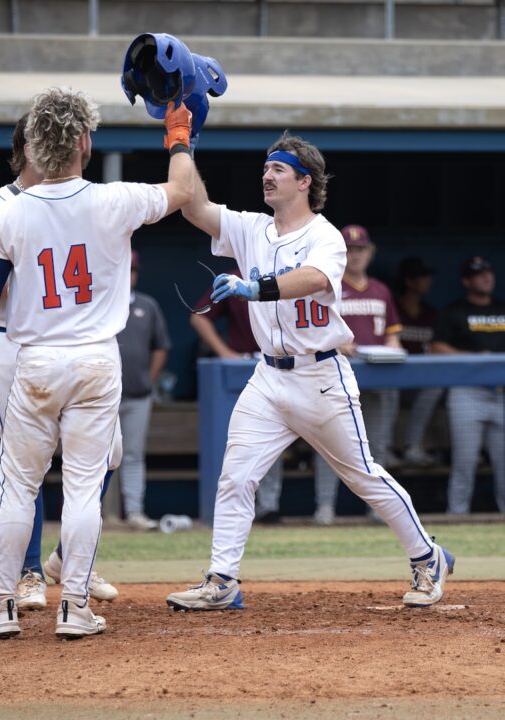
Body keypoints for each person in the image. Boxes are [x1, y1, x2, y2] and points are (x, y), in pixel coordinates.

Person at [166, 131, 454, 612]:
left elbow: (316, 279)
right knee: (235, 477)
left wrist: (253, 287)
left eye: (278, 169)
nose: (267, 175)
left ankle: (428, 557)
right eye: (266, 167)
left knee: (363, 476)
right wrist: (180, 143)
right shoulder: (251, 227)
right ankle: (222, 580)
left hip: (319, 376)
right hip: (268, 377)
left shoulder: (326, 235)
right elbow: (193, 205)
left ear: (305, 181)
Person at [0, 87, 194, 638]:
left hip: (36, 359)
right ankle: (76, 608)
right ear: (85, 141)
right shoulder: (114, 199)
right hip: (95, 359)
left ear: (33, 146)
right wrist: (179, 133)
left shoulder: (8, 212)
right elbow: (183, 190)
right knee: (86, 487)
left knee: (17, 485)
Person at [0, 114, 119, 612]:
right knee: (23, 466)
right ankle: (28, 574)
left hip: (71, 343)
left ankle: (66, 559)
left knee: (109, 453)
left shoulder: (80, 200)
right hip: (13, 340)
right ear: (28, 149)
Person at [313, 224, 402, 526]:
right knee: (332, 447)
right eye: (349, 249)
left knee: (378, 444)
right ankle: (325, 507)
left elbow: (393, 335)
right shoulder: (328, 286)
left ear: (370, 252)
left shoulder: (381, 289)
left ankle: (379, 509)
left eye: (361, 249)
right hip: (337, 377)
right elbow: (315, 330)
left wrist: (393, 345)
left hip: (378, 376)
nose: (355, 255)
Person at [191, 268, 284, 524]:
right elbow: (199, 316)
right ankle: (234, 510)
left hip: (284, 367)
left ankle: (268, 505)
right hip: (245, 366)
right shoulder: (234, 276)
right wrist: (224, 352)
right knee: (241, 441)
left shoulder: (284, 270)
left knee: (273, 438)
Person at [431, 256, 505, 514]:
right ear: (466, 280)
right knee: (465, 462)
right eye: (478, 274)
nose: (486, 278)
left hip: (501, 393)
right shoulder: (454, 311)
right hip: (467, 393)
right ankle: (457, 516)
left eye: (488, 273)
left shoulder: (501, 308)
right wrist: (474, 359)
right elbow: (436, 347)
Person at [116, 249, 171, 531]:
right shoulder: (99, 304)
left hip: (138, 394)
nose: (128, 276)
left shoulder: (147, 306)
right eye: (124, 270)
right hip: (102, 395)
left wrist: (149, 379)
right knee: (94, 457)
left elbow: (161, 345)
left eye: (132, 271)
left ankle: (135, 511)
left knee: (133, 454)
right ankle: (96, 518)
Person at [394, 257, 444, 467]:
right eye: (423, 277)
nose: (428, 281)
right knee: (387, 390)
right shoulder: (394, 309)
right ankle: (386, 449)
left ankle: (413, 447)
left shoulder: (431, 312)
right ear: (410, 281)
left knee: (436, 387)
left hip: (420, 379)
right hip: (393, 378)